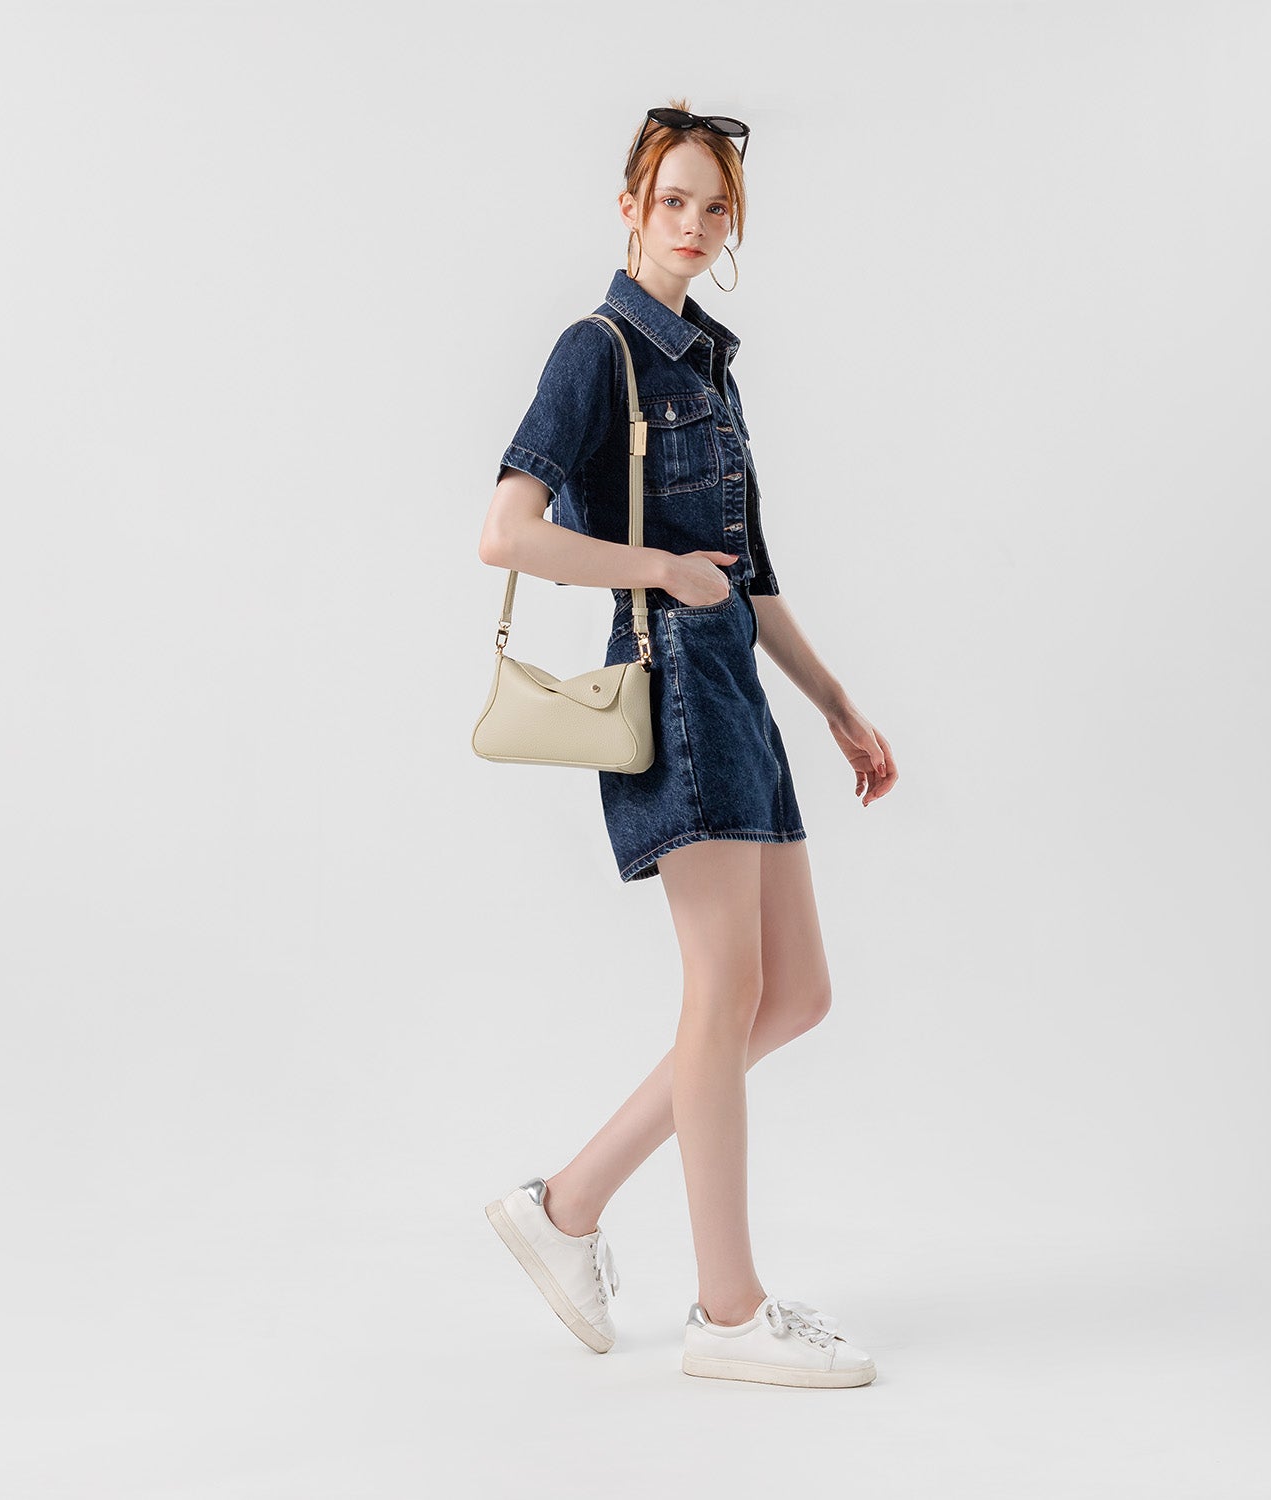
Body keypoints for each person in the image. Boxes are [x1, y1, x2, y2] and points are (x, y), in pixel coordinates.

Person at [478, 102, 898, 1388]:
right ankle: (728, 1313)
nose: (696, 225)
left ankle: (567, 1208)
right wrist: (658, 568)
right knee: (723, 997)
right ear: (631, 206)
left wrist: (836, 703)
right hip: (669, 688)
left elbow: (751, 575)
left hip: (739, 692)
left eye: (717, 208)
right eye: (674, 201)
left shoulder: (709, 367)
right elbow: (506, 531)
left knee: (795, 995)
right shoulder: (595, 349)